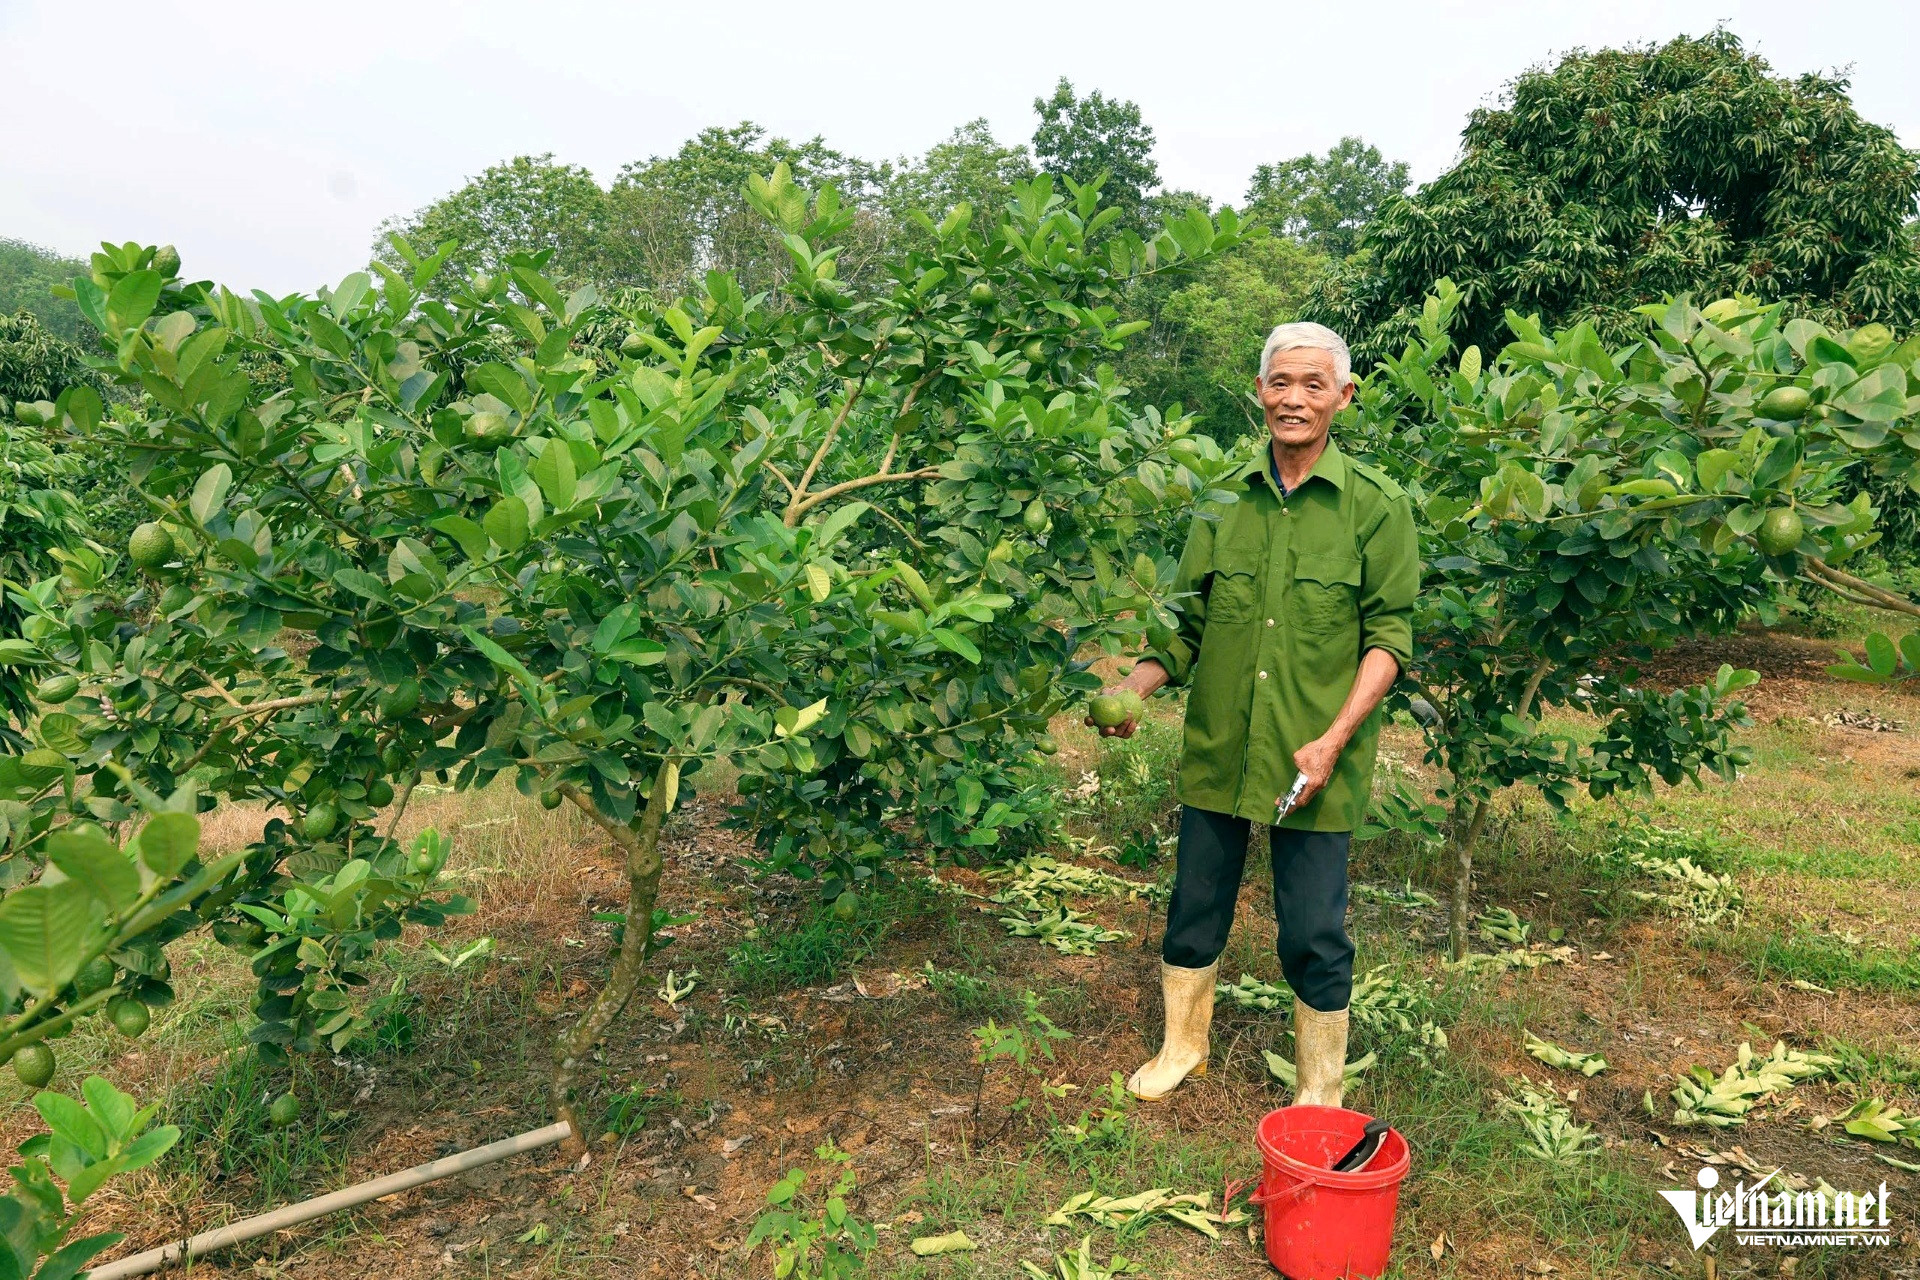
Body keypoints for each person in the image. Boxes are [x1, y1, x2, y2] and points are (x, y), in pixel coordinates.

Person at [1088, 321, 1417, 1106]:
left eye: (1312, 384)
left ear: (1343, 396)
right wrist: (1136, 687)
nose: (1293, 399)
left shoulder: (1376, 507)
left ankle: (1319, 1091)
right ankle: (1182, 1046)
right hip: (1221, 745)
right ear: (1259, 393)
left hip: (1315, 756)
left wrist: (1335, 739)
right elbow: (1186, 627)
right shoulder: (1220, 502)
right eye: (1279, 382)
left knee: (1312, 929)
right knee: (1195, 904)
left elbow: (1389, 639)